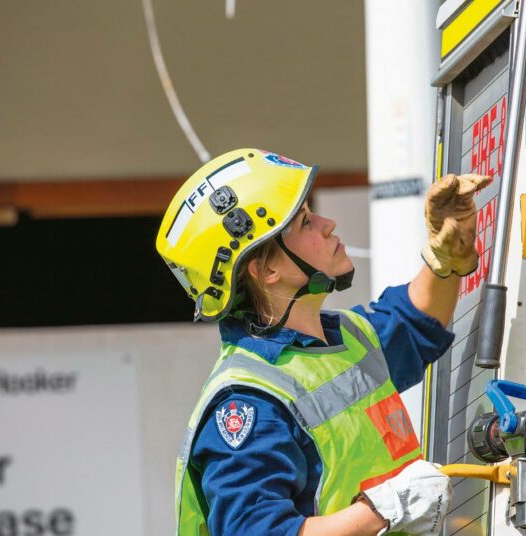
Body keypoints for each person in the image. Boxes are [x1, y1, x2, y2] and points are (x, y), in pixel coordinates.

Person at [156, 148, 491, 536]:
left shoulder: (344, 339)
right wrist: (384, 509)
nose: (328, 223)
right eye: (304, 223)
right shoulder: (249, 403)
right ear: (266, 269)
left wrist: (445, 257)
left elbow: (415, 322)